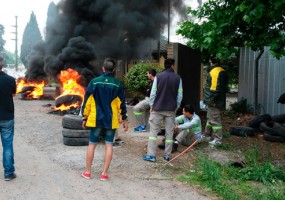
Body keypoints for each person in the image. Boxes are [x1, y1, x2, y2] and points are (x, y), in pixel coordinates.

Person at [81, 58, 128, 181]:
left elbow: (87, 102)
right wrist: (124, 119)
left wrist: (84, 117)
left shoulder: (94, 82)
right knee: (109, 145)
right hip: (110, 120)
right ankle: (104, 174)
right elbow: (122, 104)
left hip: (95, 119)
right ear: (113, 70)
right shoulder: (118, 85)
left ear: (103, 68)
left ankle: (87, 172)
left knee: (92, 144)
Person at [143, 58, 183, 162]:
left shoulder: (158, 77)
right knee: (169, 134)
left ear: (164, 66)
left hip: (157, 108)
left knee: (153, 133)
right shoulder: (178, 78)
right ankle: (166, 156)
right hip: (170, 110)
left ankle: (151, 155)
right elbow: (179, 96)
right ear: (173, 65)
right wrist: (176, 107)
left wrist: (152, 105)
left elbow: (153, 93)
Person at [202, 57, 227, 145]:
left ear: (211, 63)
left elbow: (214, 89)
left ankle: (218, 140)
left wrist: (210, 101)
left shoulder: (215, 72)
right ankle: (207, 135)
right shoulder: (222, 70)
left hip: (214, 102)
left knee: (215, 120)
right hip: (217, 100)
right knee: (210, 118)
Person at [0, 55, 17, 181]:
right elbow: (13, 94)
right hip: (7, 117)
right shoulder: (10, 79)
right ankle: (8, 173)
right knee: (7, 145)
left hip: (6, 117)